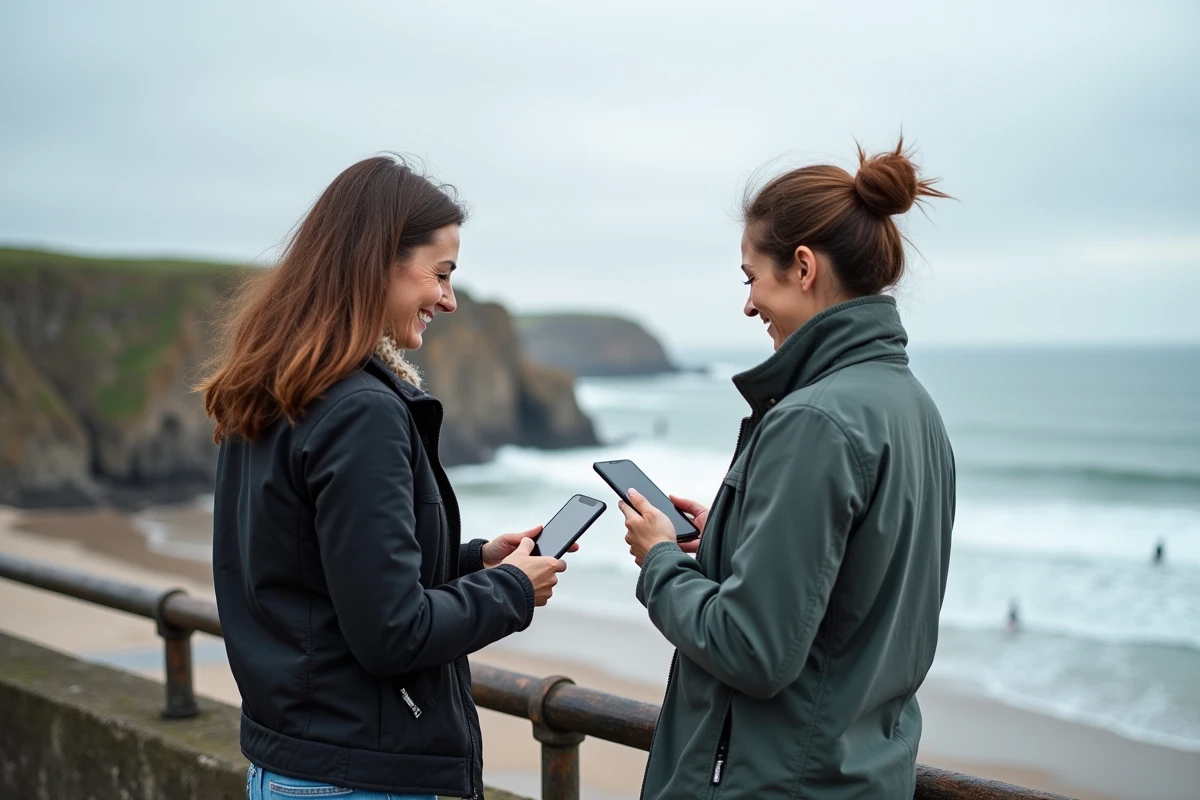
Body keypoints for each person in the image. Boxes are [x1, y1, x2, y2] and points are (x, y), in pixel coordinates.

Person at [201, 156, 568, 800]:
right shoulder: (361, 410)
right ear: (377, 262)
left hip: (293, 761)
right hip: (357, 776)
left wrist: (474, 561)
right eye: (441, 274)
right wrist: (513, 589)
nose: (449, 300)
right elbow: (393, 632)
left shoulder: (275, 384)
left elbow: (313, 570)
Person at [620, 140, 956, 798]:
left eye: (751, 278)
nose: (749, 305)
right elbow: (851, 593)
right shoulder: (915, 409)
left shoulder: (815, 421)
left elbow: (752, 649)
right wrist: (732, 537)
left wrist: (659, 560)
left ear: (803, 267)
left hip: (774, 783)